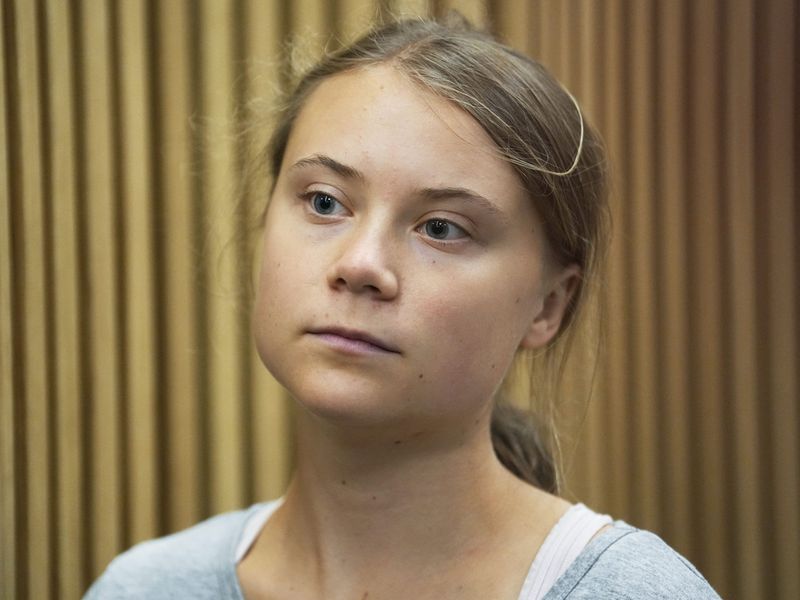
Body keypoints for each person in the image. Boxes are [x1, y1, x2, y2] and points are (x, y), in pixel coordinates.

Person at [85, 14, 720, 600]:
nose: (361, 264)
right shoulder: (144, 588)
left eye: (441, 228)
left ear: (547, 306)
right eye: (325, 202)